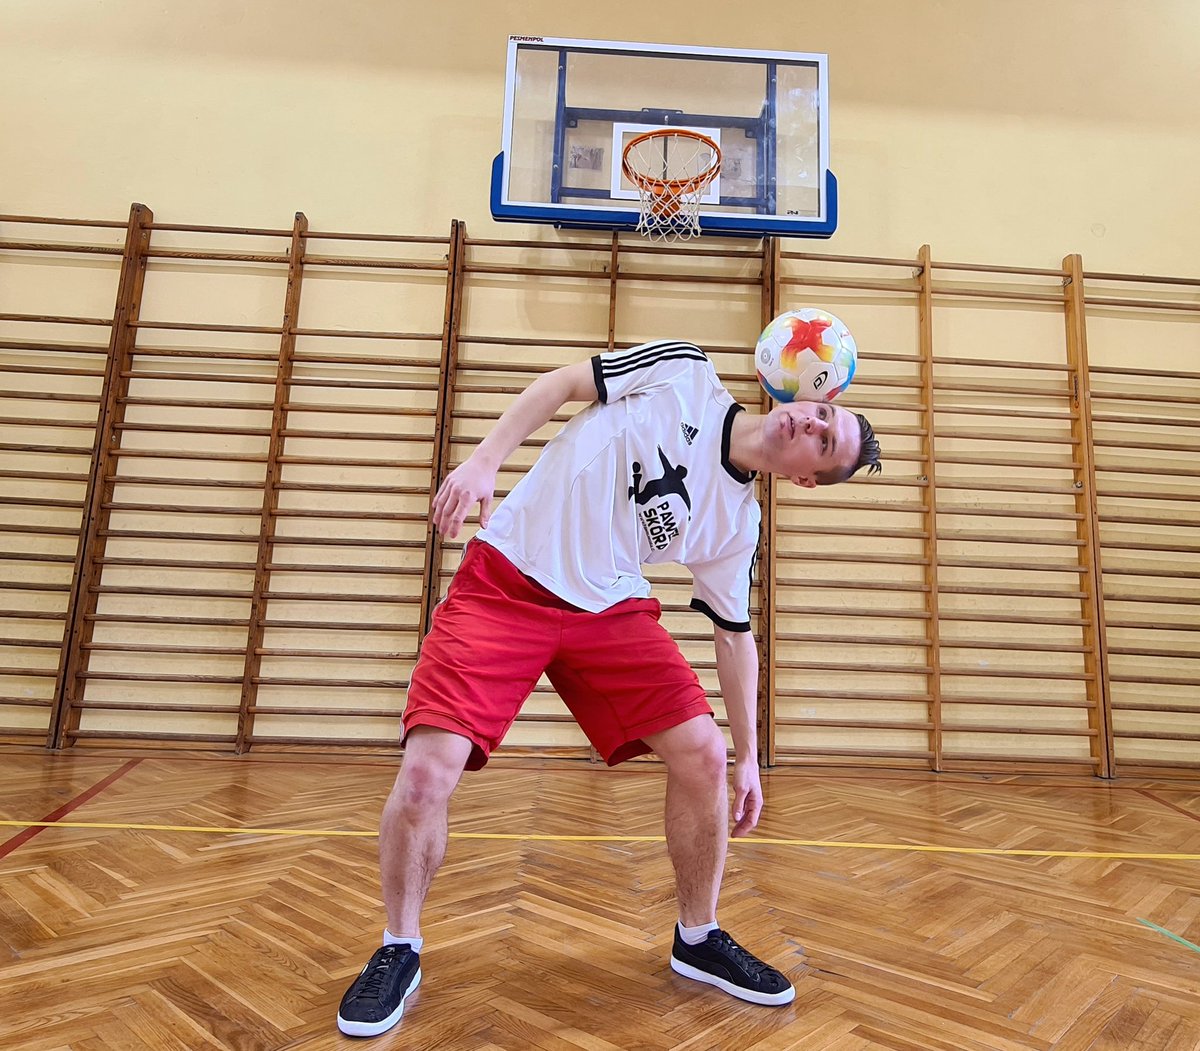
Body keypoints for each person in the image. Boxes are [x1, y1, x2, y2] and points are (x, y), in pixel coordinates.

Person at [336, 339, 882, 1037]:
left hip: (611, 608)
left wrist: (749, 755)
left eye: (824, 442)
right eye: (820, 415)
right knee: (422, 775)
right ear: (802, 397)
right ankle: (398, 947)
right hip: (506, 579)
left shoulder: (736, 522)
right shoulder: (686, 373)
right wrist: (484, 459)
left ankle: (699, 936)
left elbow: (734, 634)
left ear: (806, 478)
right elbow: (566, 382)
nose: (812, 426)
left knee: (705, 757)